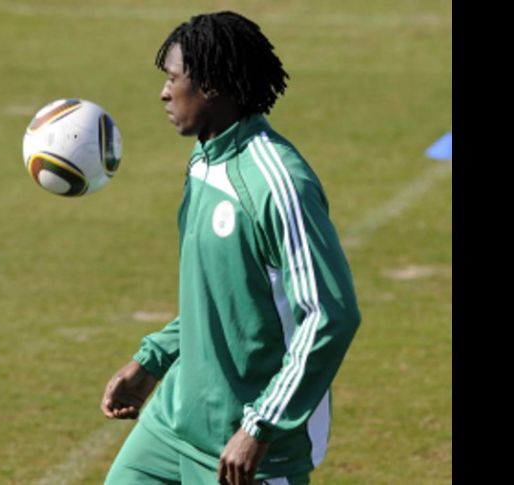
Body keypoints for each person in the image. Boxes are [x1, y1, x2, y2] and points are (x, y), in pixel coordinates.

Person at [100, 11, 361, 485]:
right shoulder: (203, 160)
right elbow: (219, 296)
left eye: (173, 79)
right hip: (174, 423)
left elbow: (329, 314)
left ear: (212, 86)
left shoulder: (278, 183)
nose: (163, 92)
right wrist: (153, 359)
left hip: (248, 447)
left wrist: (259, 425)